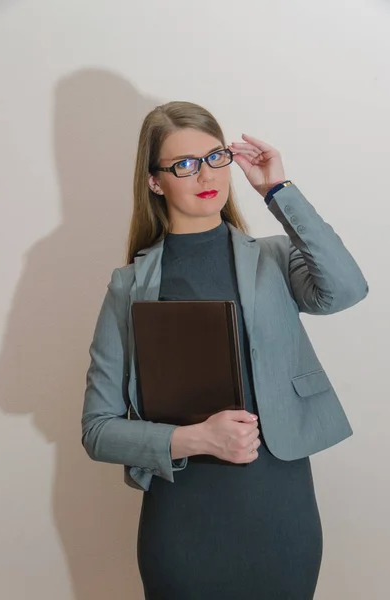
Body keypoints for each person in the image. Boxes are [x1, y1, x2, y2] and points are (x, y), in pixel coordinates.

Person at [81, 101, 369, 600]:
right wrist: (196, 439)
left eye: (215, 158)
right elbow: (98, 429)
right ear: (155, 181)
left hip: (281, 514)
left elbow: (346, 289)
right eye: (184, 165)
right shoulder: (129, 287)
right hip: (184, 522)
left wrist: (277, 190)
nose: (205, 175)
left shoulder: (274, 260)